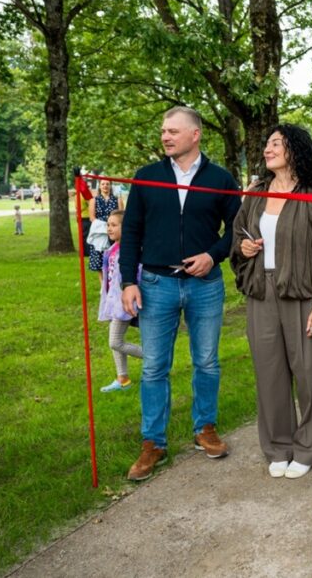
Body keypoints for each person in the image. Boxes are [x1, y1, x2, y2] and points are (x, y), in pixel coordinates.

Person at [120, 106, 241, 481]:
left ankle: (205, 428)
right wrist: (128, 281)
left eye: (173, 131)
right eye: (162, 132)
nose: (165, 137)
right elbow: (130, 233)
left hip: (205, 285)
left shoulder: (220, 179)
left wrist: (212, 255)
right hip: (156, 285)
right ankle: (153, 442)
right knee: (155, 366)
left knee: (207, 361)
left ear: (195, 135)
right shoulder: (147, 178)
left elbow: (237, 230)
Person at [230, 124, 312, 480]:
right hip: (261, 291)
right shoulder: (254, 195)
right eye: (266, 143)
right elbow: (238, 236)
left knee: (309, 371)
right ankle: (278, 446)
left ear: (294, 151)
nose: (268, 149)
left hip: (303, 293)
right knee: (269, 372)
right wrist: (244, 247)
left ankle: (310, 447)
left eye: (276, 144)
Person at [98, 210, 144, 391]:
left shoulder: (129, 250)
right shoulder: (111, 249)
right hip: (112, 301)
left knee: (115, 341)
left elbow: (135, 276)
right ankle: (122, 378)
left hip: (123, 302)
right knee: (115, 339)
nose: (109, 228)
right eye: (108, 225)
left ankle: (154, 358)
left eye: (114, 225)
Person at [89, 179, 122, 282]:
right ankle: (102, 285)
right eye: (103, 184)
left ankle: (114, 281)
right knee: (100, 260)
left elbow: (121, 216)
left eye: (107, 184)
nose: (105, 186)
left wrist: (112, 226)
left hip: (114, 232)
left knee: (114, 256)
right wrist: (104, 227)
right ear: (99, 186)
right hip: (100, 232)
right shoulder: (94, 200)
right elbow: (92, 217)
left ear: (110, 186)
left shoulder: (117, 199)